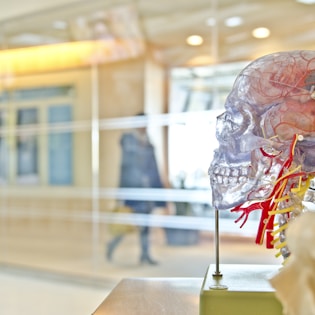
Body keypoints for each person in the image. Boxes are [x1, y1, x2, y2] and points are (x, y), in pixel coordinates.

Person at [106, 113, 166, 265]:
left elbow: (154, 169)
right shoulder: (129, 141)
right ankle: (112, 244)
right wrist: (122, 193)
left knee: (145, 225)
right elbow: (125, 168)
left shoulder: (148, 143)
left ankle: (145, 255)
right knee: (128, 224)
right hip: (134, 192)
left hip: (147, 192)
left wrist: (158, 192)